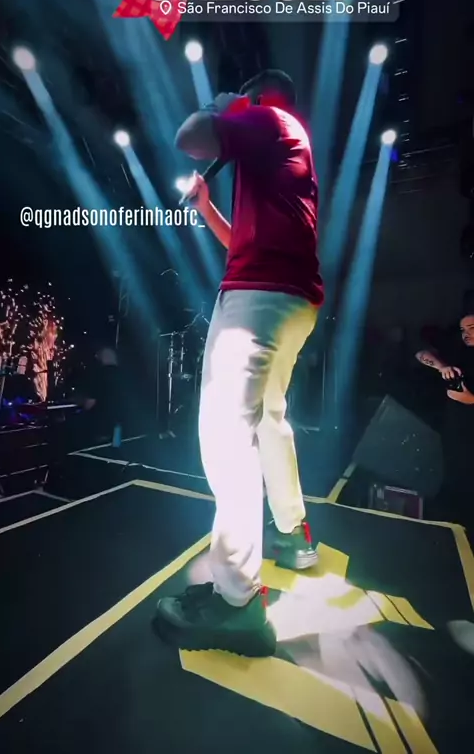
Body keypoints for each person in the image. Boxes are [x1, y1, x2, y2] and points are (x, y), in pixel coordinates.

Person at [154, 69, 324, 657]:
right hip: (290, 300)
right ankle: (292, 532)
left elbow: (188, 136)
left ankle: (237, 602)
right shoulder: (282, 149)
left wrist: (223, 105)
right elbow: (239, 244)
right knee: (269, 418)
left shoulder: (267, 120)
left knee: (227, 434)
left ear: (258, 97)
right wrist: (206, 206)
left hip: (259, 299)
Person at [416, 313, 474, 518]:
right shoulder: (459, 352)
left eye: (472, 328)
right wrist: (442, 367)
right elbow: (421, 353)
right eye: (463, 330)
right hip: (454, 431)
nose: (466, 334)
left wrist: (470, 399)